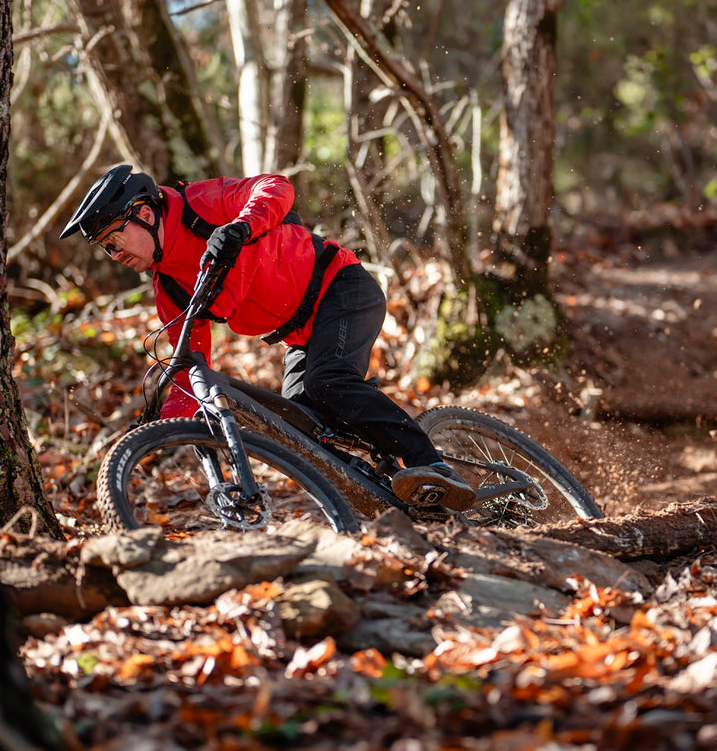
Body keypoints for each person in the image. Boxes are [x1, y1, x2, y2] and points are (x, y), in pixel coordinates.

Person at [60, 164, 474, 511]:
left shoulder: (199, 204)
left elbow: (276, 187)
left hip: (340, 287)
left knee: (328, 382)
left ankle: (433, 465)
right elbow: (190, 363)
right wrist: (162, 426)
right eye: (106, 248)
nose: (115, 255)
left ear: (145, 215)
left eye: (114, 239)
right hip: (298, 336)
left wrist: (241, 227)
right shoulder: (168, 286)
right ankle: (381, 488)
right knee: (294, 428)